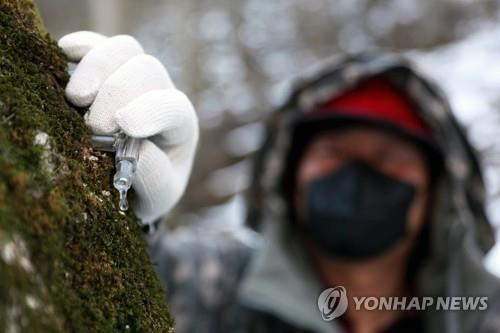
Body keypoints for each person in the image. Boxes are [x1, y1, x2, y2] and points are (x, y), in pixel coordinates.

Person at [58, 31, 500, 333]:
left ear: (437, 193)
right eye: (333, 151)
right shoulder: (220, 287)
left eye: (389, 156)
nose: (358, 171)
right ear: (289, 177)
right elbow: (117, 282)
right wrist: (126, 214)